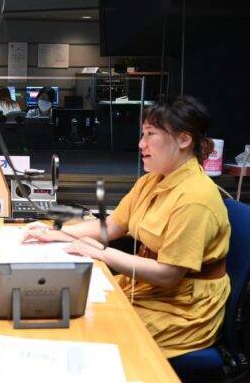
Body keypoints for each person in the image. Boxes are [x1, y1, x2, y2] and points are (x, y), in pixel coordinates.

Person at [22, 96, 230, 358]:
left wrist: (102, 252)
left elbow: (168, 274)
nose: (141, 144)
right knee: (67, 304)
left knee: (88, 329)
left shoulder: (195, 198)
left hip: (182, 308)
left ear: (183, 140)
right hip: (150, 290)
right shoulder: (152, 180)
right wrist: (55, 234)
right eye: (143, 134)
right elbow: (113, 225)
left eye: (151, 134)